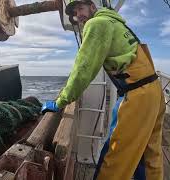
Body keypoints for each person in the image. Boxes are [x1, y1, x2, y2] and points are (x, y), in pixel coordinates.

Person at [41, 0, 166, 179]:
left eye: (81, 8)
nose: (79, 15)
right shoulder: (116, 22)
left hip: (138, 94)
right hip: (154, 90)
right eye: (75, 12)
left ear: (93, 6)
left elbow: (82, 70)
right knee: (149, 154)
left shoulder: (97, 23)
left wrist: (60, 101)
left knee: (114, 156)